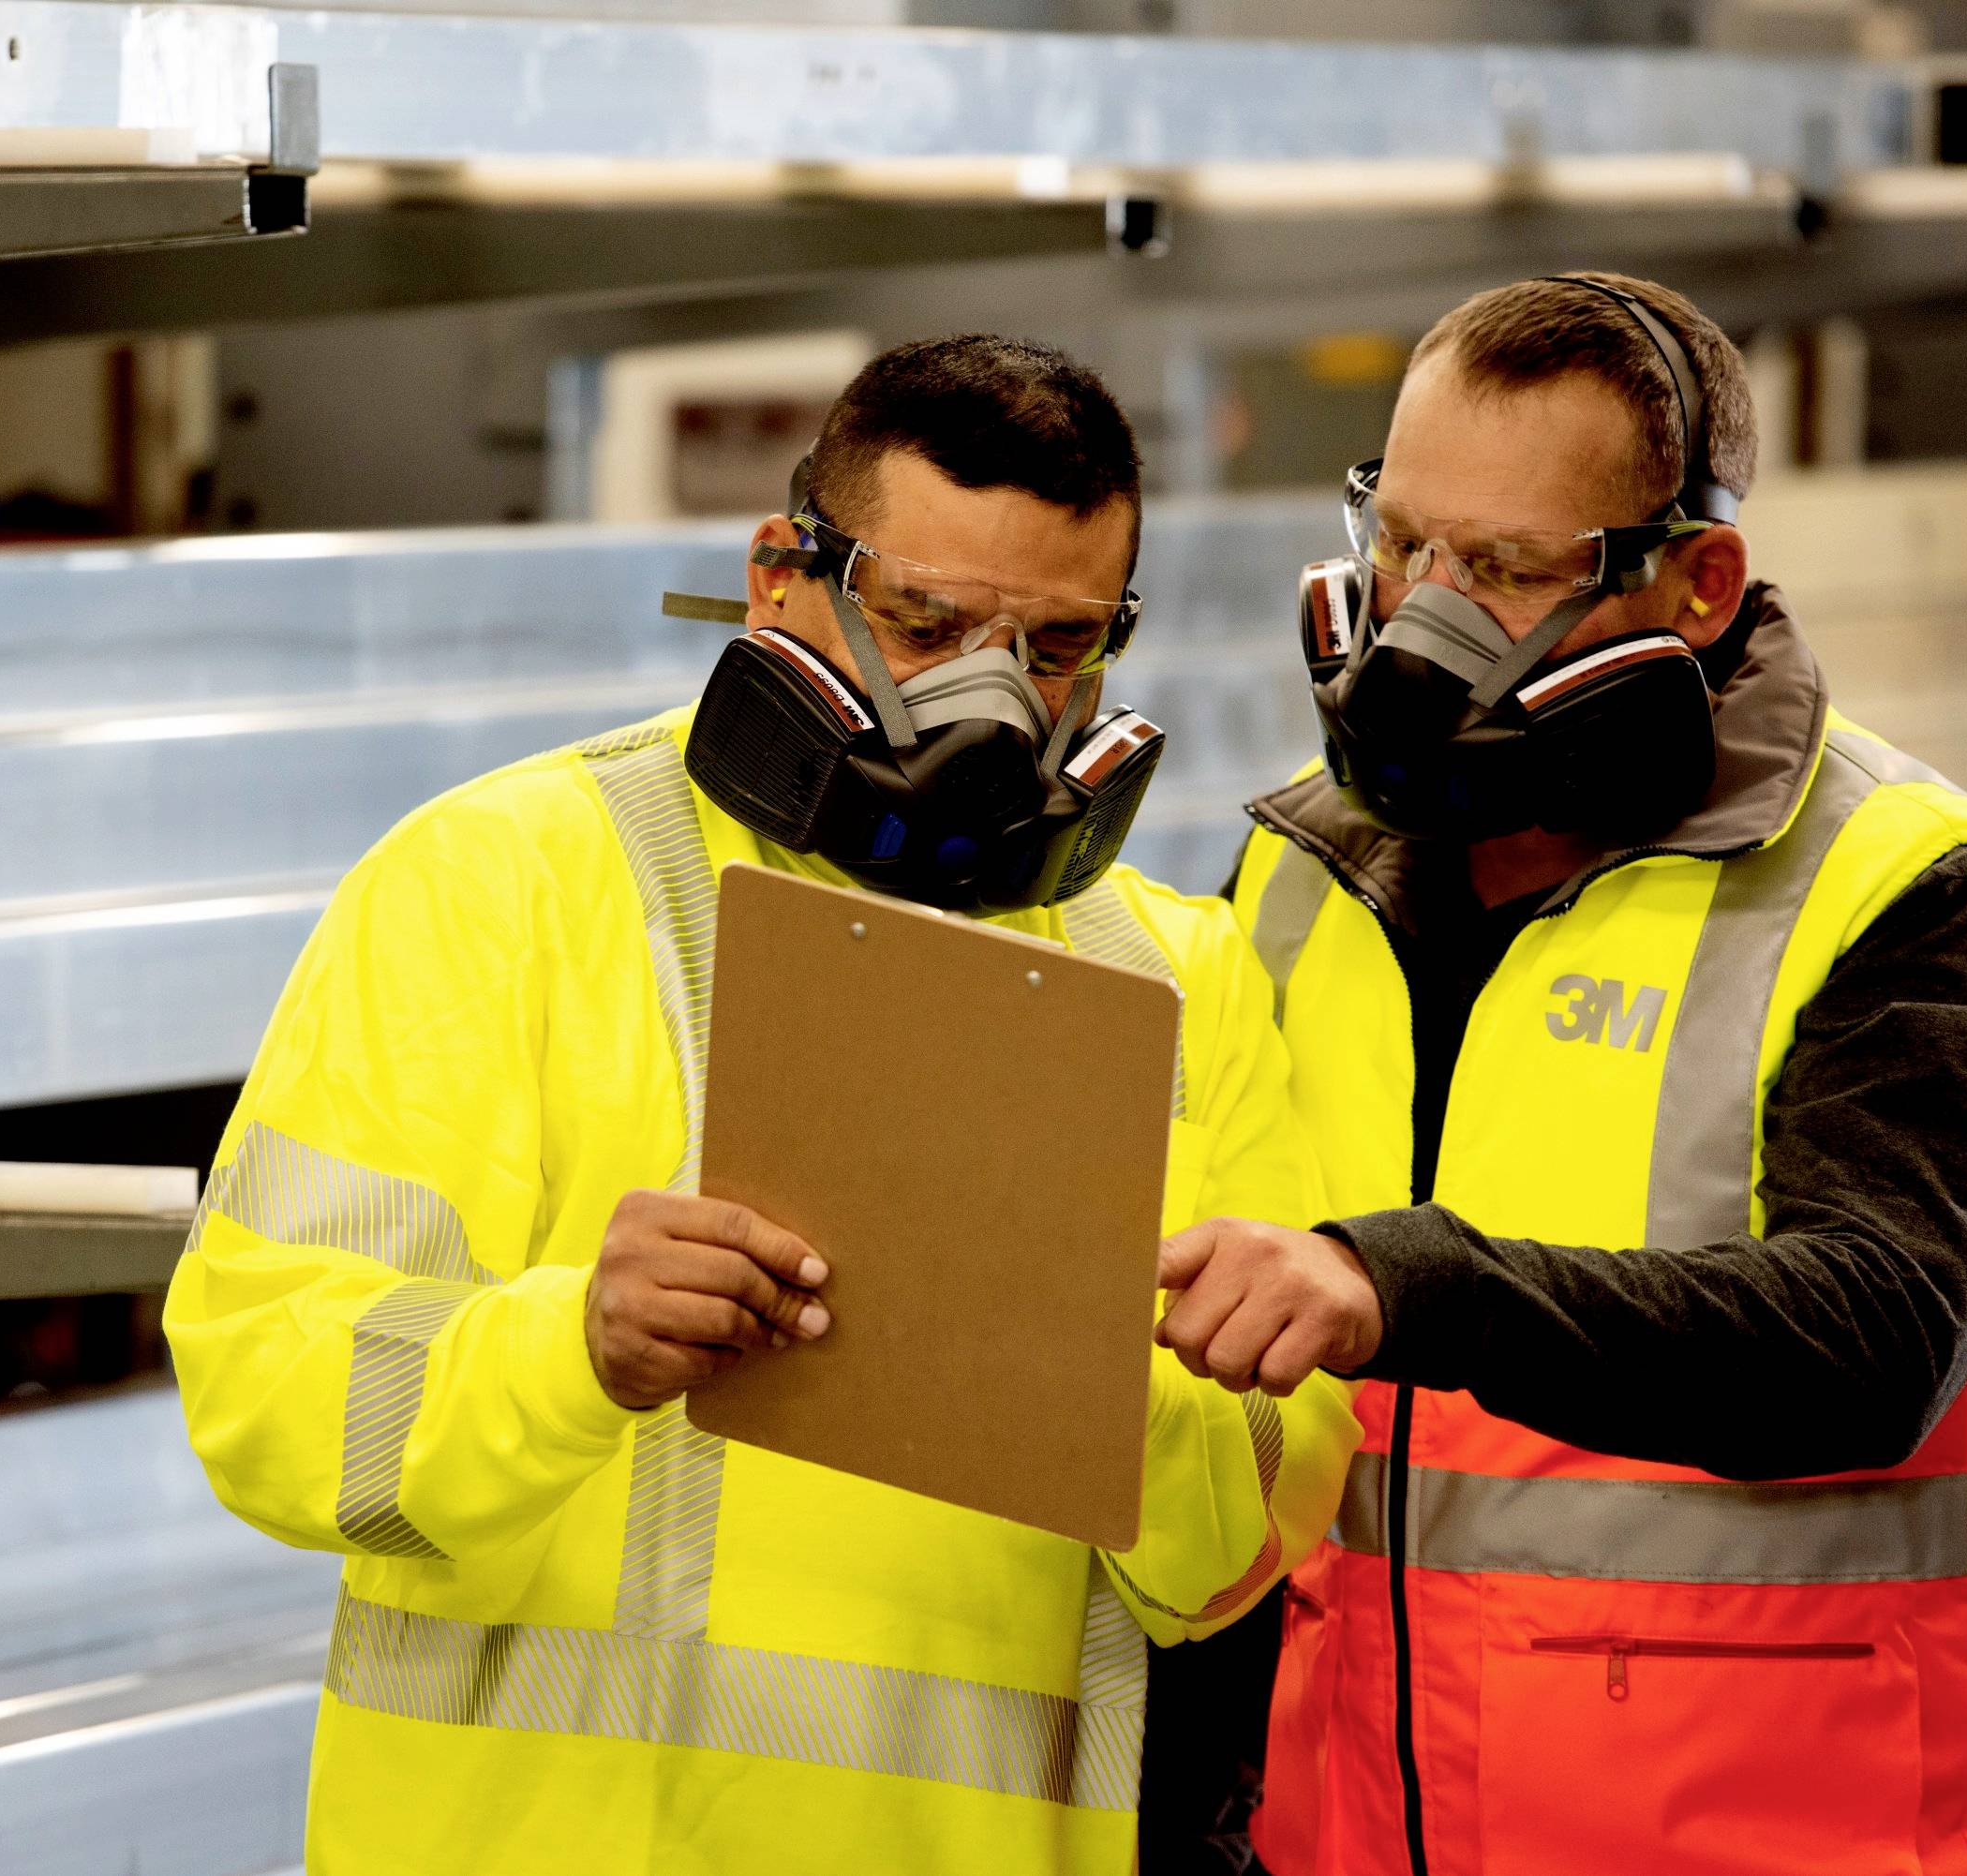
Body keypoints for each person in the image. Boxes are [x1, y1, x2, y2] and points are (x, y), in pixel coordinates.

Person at [163, 334, 1359, 1874]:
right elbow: (264, 1395)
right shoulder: (491, 887)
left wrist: (1087, 1367)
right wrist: (568, 1344)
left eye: (1055, 650)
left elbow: (1245, 1548)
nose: (994, 701)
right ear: (780, 574)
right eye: (927, 624)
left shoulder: (1177, 985)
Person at [1154, 272, 1967, 1876]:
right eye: (1401, 546)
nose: (1419, 617)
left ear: (1701, 582)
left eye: (1505, 571)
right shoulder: (1301, 875)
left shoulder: (1922, 899)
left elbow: (1872, 1335)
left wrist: (1406, 1289)